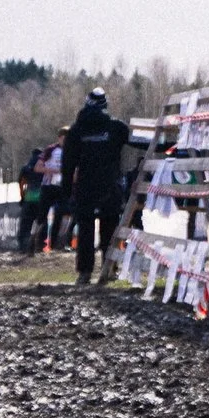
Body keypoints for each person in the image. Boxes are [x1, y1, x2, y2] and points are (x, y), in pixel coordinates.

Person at [58, 89, 134, 283]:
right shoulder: (116, 127)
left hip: (85, 186)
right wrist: (167, 144)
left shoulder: (76, 130)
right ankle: (109, 269)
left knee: (85, 230)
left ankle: (84, 272)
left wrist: (66, 192)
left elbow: (67, 164)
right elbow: (139, 141)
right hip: (110, 185)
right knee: (109, 228)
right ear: (105, 105)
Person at [16, 147, 48, 254]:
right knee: (42, 221)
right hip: (42, 197)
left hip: (29, 197)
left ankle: (23, 245)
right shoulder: (44, 166)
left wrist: (22, 197)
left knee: (26, 223)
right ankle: (40, 245)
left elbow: (21, 183)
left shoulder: (26, 167)